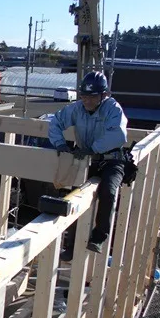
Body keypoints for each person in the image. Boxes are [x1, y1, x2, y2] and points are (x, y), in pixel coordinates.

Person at [48, 71, 128, 261]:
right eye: (84, 96)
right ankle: (71, 245)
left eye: (92, 97)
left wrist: (92, 148)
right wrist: (60, 143)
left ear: (103, 95)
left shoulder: (112, 109)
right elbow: (56, 122)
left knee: (108, 192)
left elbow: (118, 135)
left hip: (111, 160)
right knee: (74, 198)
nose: (87, 101)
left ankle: (99, 237)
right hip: (87, 160)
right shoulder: (77, 109)